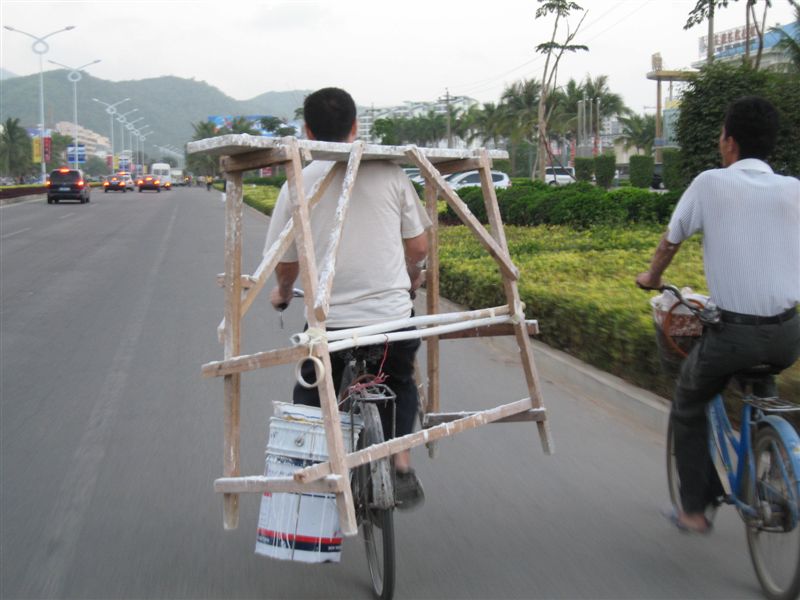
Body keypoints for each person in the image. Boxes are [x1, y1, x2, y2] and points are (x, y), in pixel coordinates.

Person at [636, 96, 800, 533]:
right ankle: (776, 466)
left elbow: (672, 239)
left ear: (730, 141)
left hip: (734, 336)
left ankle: (694, 509)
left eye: (721, 135)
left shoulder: (710, 183)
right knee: (763, 387)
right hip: (787, 334)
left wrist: (652, 276)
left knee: (689, 402)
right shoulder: (794, 189)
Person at [264, 87, 431, 509]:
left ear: (307, 131)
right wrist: (412, 279)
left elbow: (285, 264)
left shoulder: (296, 185)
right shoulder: (390, 173)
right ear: (356, 128)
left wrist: (283, 293)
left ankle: (310, 477)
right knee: (401, 377)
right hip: (391, 318)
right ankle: (401, 462)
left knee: (311, 392)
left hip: (330, 326)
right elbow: (419, 248)